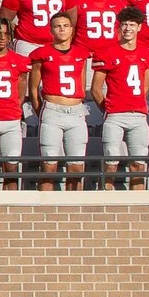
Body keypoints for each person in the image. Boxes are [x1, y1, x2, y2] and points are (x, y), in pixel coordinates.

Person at [93, 10, 149, 190]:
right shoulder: (107, 53)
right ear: (119, 27)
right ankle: (105, 200)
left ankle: (138, 204)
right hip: (115, 115)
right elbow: (96, 89)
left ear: (139, 27)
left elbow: (145, 87)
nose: (128, 28)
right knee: (110, 164)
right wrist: (109, 109)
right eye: (125, 24)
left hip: (139, 115)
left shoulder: (147, 54)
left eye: (132, 25)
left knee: (138, 163)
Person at [32, 11, 91, 189]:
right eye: (57, 26)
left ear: (72, 30)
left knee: (76, 166)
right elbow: (33, 89)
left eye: (65, 26)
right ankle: (45, 208)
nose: (62, 29)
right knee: (49, 165)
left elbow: (81, 84)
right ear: (51, 30)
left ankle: (75, 208)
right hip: (52, 110)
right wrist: (43, 112)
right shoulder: (41, 54)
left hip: (76, 111)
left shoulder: (81, 54)